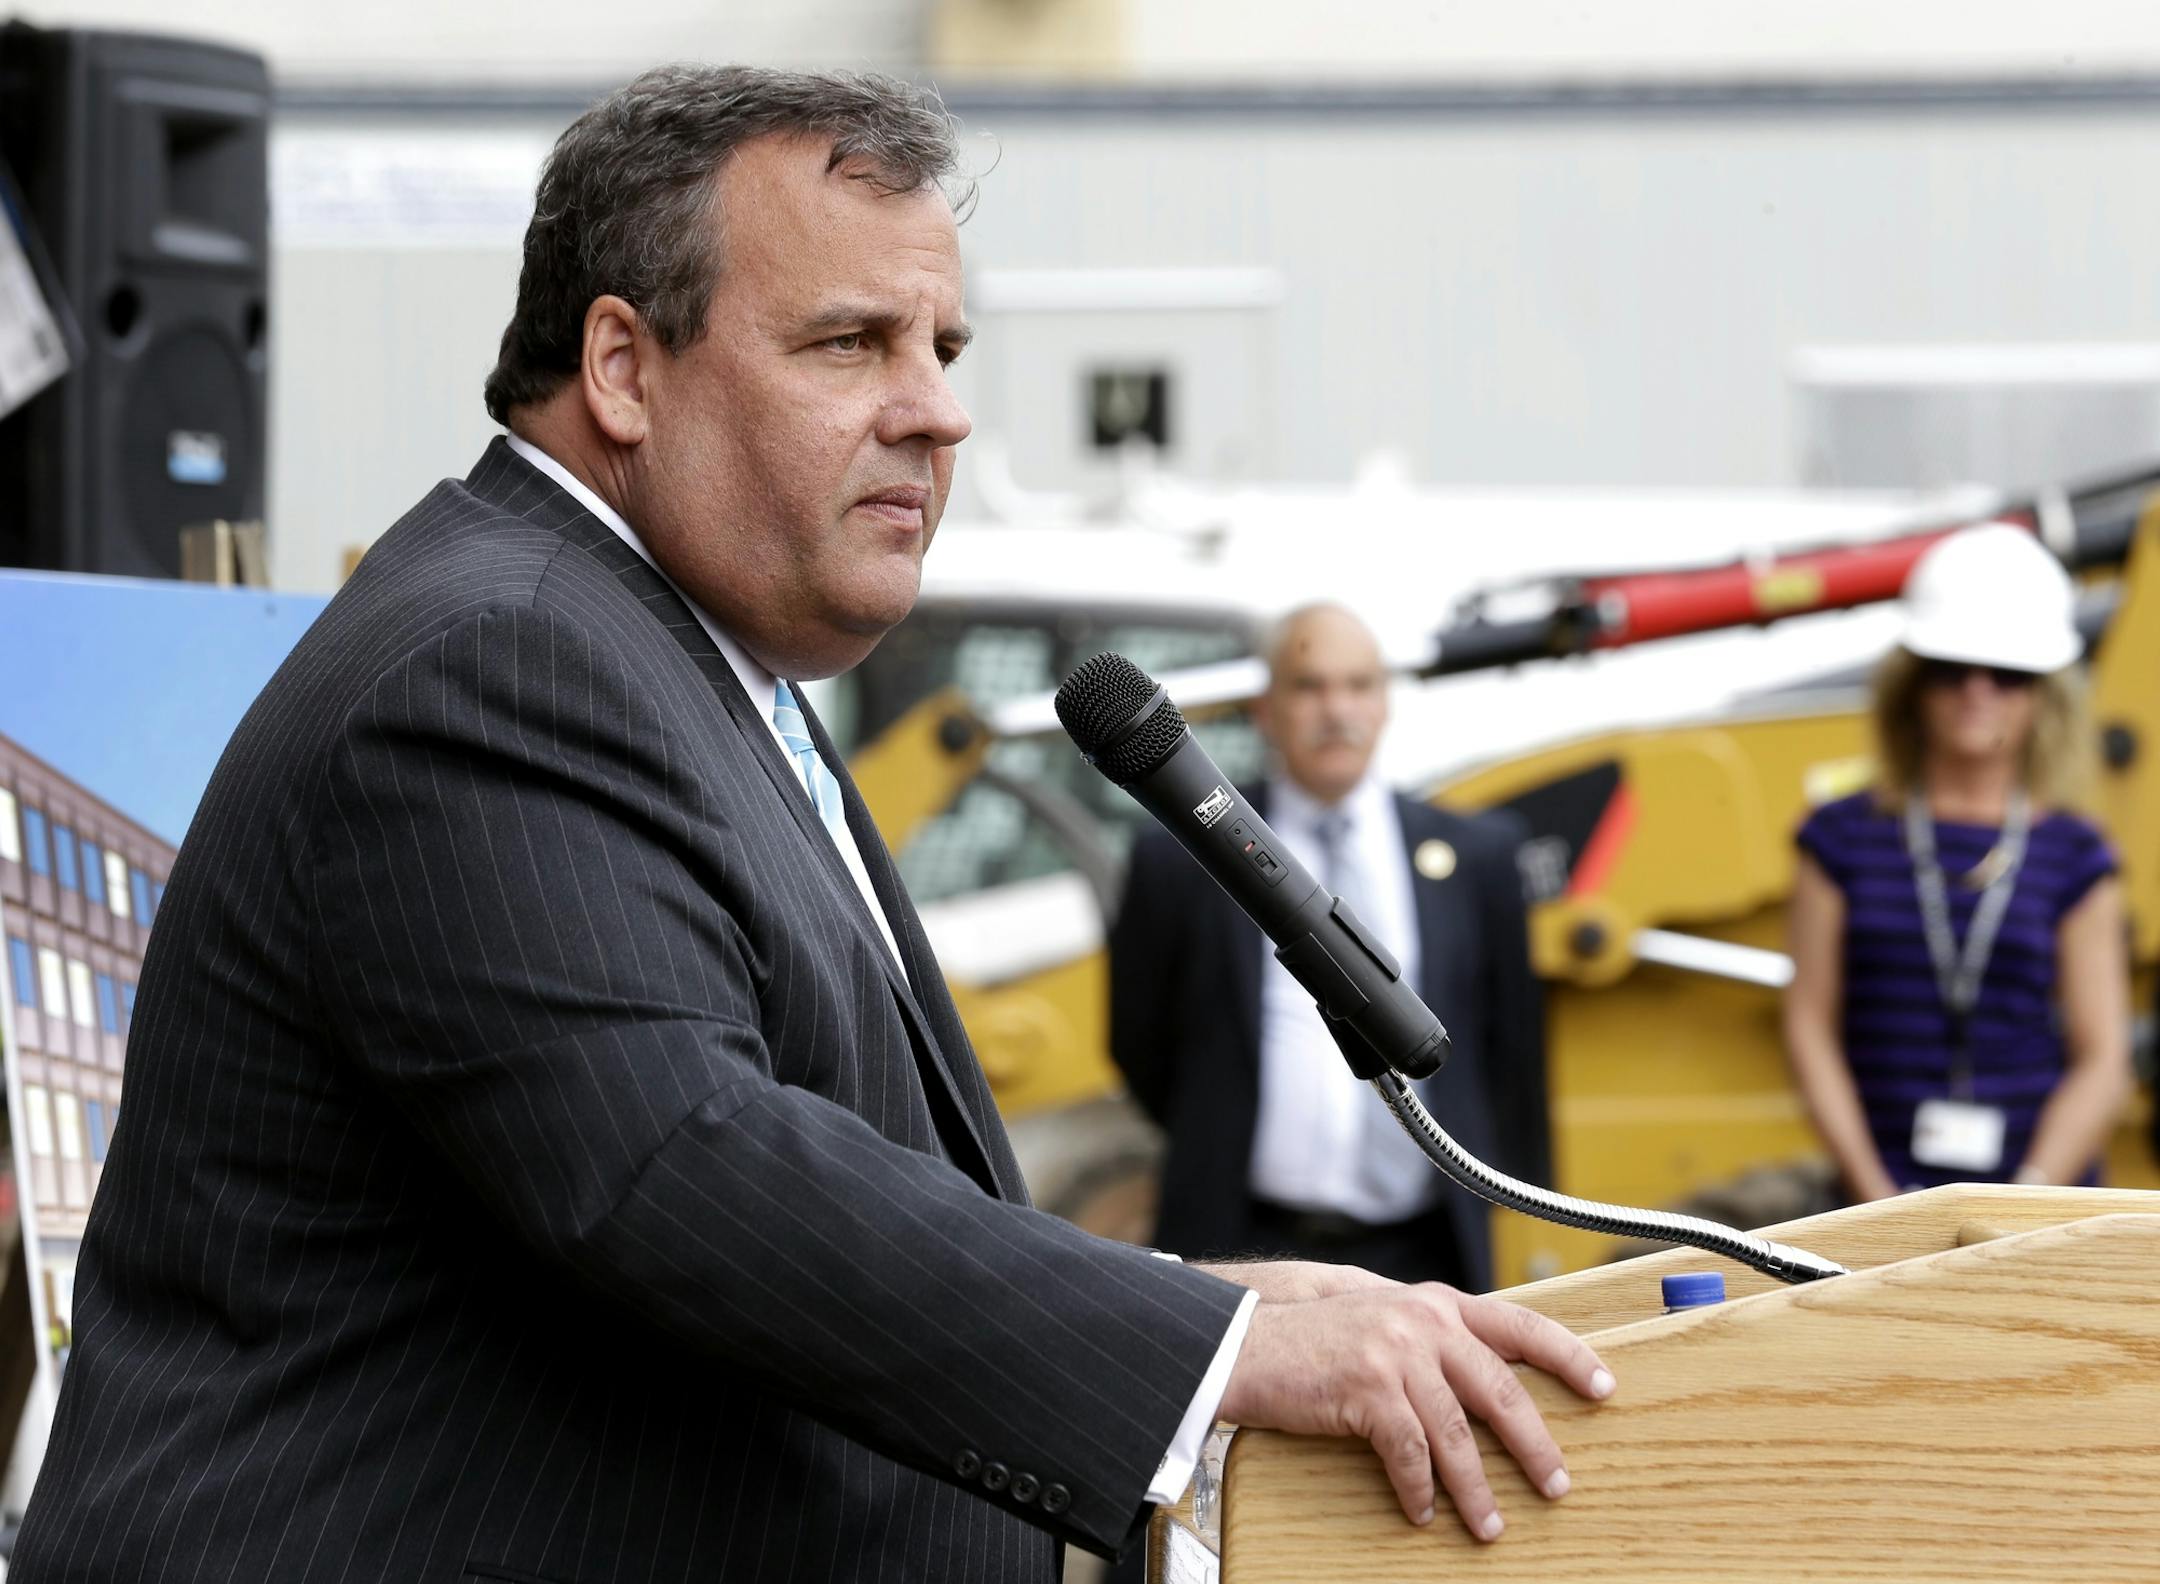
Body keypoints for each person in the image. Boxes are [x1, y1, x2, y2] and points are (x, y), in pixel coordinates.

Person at [10, 68, 1613, 1582]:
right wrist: (1219, 1347)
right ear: (625, 369)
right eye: (851, 344)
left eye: (947, 351)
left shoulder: (684, 659)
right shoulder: (496, 661)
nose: (938, 416)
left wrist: (1183, 1300)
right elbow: (682, 1167)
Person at [1110, 602, 1549, 1291]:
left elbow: (1512, 1046)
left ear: (1386, 703)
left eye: (1359, 685)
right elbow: (1140, 1044)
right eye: (1309, 686)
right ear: (1264, 706)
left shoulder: (1478, 854)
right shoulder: (1175, 862)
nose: (1336, 709)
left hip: (1428, 1253)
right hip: (1243, 1246)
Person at [1785, 523, 2132, 1201]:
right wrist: (1876, 1194)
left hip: (2039, 1204)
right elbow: (1808, 1025)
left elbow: (2103, 1061)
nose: (1978, 691)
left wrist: (2026, 1200)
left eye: (2008, 675)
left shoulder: (2076, 854)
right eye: (1951, 670)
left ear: (2042, 695)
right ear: (1913, 684)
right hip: (1872, 1196)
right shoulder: (1839, 838)